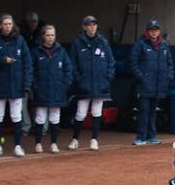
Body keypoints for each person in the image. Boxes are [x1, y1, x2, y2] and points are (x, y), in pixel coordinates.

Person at [0, 13, 33, 158]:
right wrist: (1, 61)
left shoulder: (20, 41)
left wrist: (26, 84)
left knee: (16, 116)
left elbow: (27, 63)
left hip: (16, 86)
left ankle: (17, 145)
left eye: (10, 24)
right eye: (5, 24)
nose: (7, 27)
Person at [68, 15, 115, 151]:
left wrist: (108, 76)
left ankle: (94, 139)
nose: (92, 27)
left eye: (94, 24)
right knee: (81, 113)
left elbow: (111, 61)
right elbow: (72, 64)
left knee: (96, 112)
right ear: (84, 27)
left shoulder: (103, 42)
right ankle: (75, 139)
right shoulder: (77, 43)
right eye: (89, 25)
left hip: (100, 84)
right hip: (84, 84)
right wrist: (78, 78)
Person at [129, 20, 173, 146]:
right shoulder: (140, 44)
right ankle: (140, 137)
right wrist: (141, 77)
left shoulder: (164, 44)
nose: (154, 32)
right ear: (147, 31)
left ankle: (152, 135)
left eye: (156, 30)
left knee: (153, 111)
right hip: (144, 84)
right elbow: (132, 63)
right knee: (143, 110)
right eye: (152, 30)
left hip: (159, 84)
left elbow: (170, 63)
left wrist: (168, 77)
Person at [31, 24, 73, 154]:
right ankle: (38, 143)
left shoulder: (61, 51)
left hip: (57, 90)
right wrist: (35, 86)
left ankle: (53, 143)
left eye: (52, 35)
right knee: (40, 118)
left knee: (55, 118)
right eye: (48, 35)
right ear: (43, 36)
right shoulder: (36, 52)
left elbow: (68, 69)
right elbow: (31, 71)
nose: (50, 38)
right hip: (42, 90)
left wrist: (64, 85)